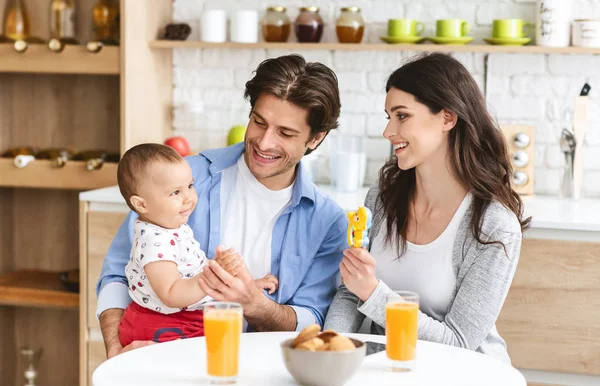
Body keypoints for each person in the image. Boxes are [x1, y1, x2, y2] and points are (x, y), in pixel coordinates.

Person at [97, 54, 347, 358]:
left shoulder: (327, 222)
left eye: (285, 133)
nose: (264, 142)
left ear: (315, 139)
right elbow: (116, 274)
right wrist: (116, 349)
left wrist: (255, 303)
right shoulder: (182, 179)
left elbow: (311, 318)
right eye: (259, 122)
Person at [324, 53, 531, 364]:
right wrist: (330, 350)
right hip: (388, 370)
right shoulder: (383, 197)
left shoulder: (494, 226)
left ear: (447, 118)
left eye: (402, 116)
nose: (388, 131)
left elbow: (459, 342)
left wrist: (374, 293)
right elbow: (351, 291)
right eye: (388, 117)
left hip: (464, 376)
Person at [114, 143, 278, 346]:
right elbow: (171, 294)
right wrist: (210, 278)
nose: (189, 198)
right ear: (142, 204)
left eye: (190, 186)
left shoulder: (171, 227)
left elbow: (189, 272)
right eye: (175, 193)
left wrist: (245, 285)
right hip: (161, 325)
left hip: (182, 320)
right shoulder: (155, 241)